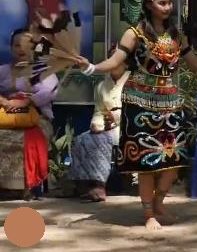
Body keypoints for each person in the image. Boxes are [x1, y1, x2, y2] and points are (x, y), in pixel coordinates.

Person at [74, 0, 197, 230]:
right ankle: (148, 214)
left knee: (173, 160)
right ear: (148, 5)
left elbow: (195, 64)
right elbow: (116, 60)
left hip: (169, 102)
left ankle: (159, 203)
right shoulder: (135, 34)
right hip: (139, 101)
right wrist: (92, 67)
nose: (168, 7)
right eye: (162, 3)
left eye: (169, 2)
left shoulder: (177, 35)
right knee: (146, 163)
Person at [0, 28, 59, 200]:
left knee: (23, 140)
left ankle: (23, 187)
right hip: (5, 118)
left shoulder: (43, 71)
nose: (22, 49)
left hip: (37, 119)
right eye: (17, 45)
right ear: (11, 48)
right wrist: (4, 101)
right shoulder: (3, 70)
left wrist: (26, 101)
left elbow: (50, 90)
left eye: (27, 45)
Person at [69, 44, 130, 202]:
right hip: (107, 127)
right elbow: (99, 111)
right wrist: (97, 124)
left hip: (128, 127)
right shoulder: (102, 86)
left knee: (100, 141)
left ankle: (99, 185)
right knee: (81, 139)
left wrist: (116, 118)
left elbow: (136, 110)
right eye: (111, 57)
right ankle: (82, 184)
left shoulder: (134, 82)